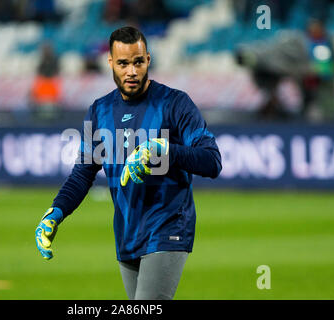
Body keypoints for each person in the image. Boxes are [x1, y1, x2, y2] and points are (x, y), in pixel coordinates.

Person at [35, 26, 222, 300]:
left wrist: (163, 149)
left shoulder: (175, 104)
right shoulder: (99, 111)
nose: (131, 71)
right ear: (110, 62)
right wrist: (56, 211)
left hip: (167, 226)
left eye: (137, 62)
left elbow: (212, 161)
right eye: (123, 63)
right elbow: (83, 173)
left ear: (148, 59)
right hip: (126, 230)